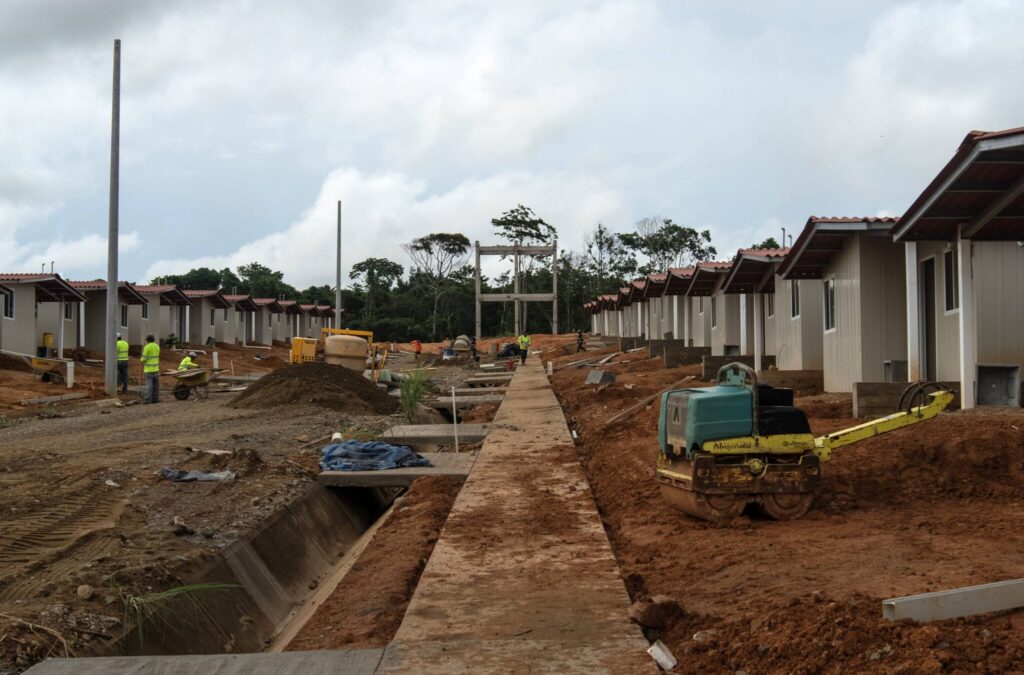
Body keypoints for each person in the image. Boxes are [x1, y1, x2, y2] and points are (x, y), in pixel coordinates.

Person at [141, 335, 161, 404]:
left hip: (148, 370)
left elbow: (144, 358)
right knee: (156, 385)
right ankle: (155, 399)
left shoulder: (147, 347)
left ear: (147, 340)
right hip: (156, 369)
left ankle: (147, 400)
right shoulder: (157, 346)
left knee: (149, 385)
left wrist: (141, 360)